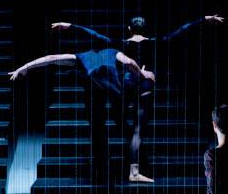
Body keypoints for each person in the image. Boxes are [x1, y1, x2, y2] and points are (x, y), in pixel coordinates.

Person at [49, 14, 225, 183]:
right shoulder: (156, 42)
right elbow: (181, 31)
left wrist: (70, 26)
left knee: (123, 121)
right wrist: (205, 19)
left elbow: (94, 34)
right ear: (145, 29)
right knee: (138, 130)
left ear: (129, 28)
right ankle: (134, 170)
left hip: (126, 85)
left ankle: (126, 153)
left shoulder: (119, 43)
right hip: (145, 85)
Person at [8, 47, 156, 185]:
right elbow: (129, 62)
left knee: (100, 127)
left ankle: (105, 170)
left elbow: (51, 58)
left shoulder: (81, 57)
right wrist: (142, 73)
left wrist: (25, 67)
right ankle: (121, 168)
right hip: (108, 91)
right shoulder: (111, 53)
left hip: (98, 91)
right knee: (114, 121)